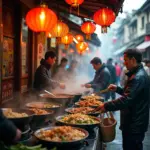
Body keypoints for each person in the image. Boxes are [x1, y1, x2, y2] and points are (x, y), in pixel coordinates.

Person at [95, 49, 150, 150]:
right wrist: (117, 89)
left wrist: (106, 105)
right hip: (134, 121)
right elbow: (132, 95)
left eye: (125, 60)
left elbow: (126, 99)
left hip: (134, 123)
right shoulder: (137, 73)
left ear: (133, 60)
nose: (124, 63)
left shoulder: (138, 77)